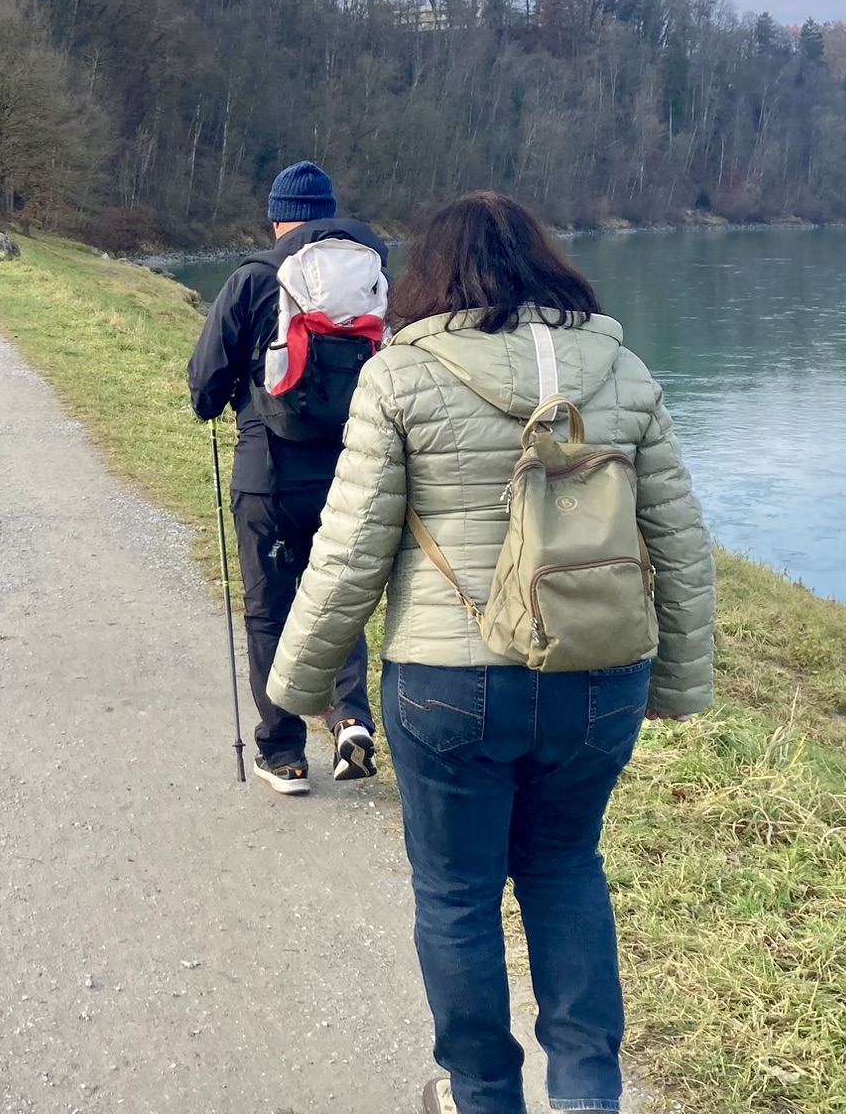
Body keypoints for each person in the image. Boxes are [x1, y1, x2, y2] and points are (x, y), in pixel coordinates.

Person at [266, 192, 714, 1114]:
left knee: (458, 896)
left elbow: (349, 552)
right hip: (599, 676)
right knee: (565, 869)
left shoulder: (399, 376)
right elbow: (678, 543)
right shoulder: (624, 372)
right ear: (549, 266)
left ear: (429, 275)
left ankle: (481, 1096)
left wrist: (300, 683)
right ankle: (587, 1097)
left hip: (448, 681)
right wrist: (676, 680)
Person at [187, 159, 384, 794]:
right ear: (329, 215)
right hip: (348, 475)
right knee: (336, 599)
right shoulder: (372, 278)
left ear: (277, 219)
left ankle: (284, 754)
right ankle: (350, 718)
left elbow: (205, 386)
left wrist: (217, 399)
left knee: (270, 611)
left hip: (267, 476)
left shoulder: (253, 278)